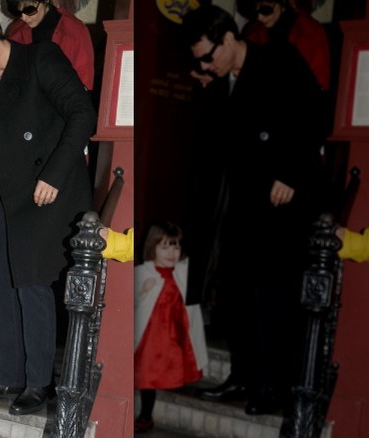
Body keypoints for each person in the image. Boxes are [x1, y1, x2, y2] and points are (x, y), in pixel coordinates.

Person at [0, 5, 96, 416]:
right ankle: (8, 375)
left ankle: (38, 383)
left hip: (44, 192)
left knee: (32, 286)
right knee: (3, 286)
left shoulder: (40, 58)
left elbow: (82, 114)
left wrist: (55, 174)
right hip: (3, 193)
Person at [180, 4, 327, 416]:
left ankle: (275, 387)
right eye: (200, 59)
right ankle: (243, 377)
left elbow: (316, 114)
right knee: (238, 293)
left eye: (209, 55)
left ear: (229, 38)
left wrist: (292, 173)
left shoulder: (278, 59)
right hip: (244, 202)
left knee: (273, 298)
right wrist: (209, 84)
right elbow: (223, 141)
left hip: (283, 201)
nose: (206, 63)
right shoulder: (226, 79)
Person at [133, 222, 208, 433]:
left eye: (175, 246)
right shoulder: (143, 272)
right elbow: (130, 303)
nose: (171, 252)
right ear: (152, 247)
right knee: (147, 373)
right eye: (164, 246)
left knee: (174, 365)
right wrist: (143, 291)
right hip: (150, 335)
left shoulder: (183, 271)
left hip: (177, 332)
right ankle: (146, 415)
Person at [0, 0, 93, 92]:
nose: (24, 18)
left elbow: (84, 85)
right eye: (17, 12)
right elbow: (6, 75)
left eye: (30, 10)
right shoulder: (16, 29)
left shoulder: (75, 30)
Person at [240, 0, 330, 91]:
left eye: (265, 10)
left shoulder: (310, 31)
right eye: (255, 11)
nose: (260, 17)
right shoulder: (253, 33)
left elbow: (320, 84)